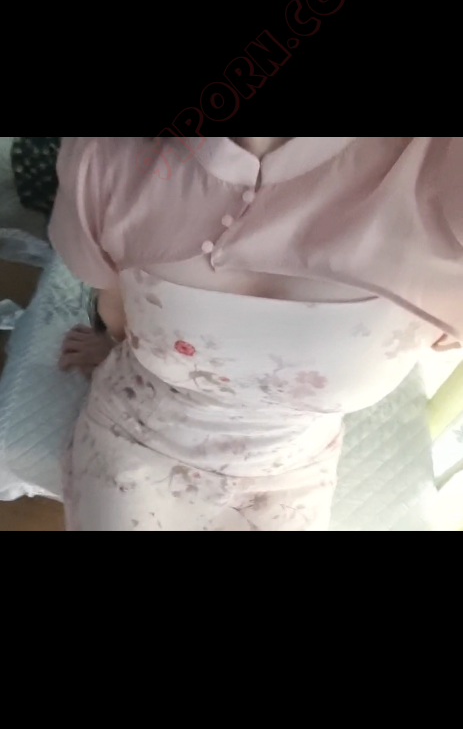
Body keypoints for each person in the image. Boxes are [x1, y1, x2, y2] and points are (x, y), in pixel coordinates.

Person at [48, 136, 463, 532]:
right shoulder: (107, 158)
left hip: (292, 470)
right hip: (135, 436)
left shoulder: (444, 173)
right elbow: (116, 307)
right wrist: (115, 347)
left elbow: (118, 306)